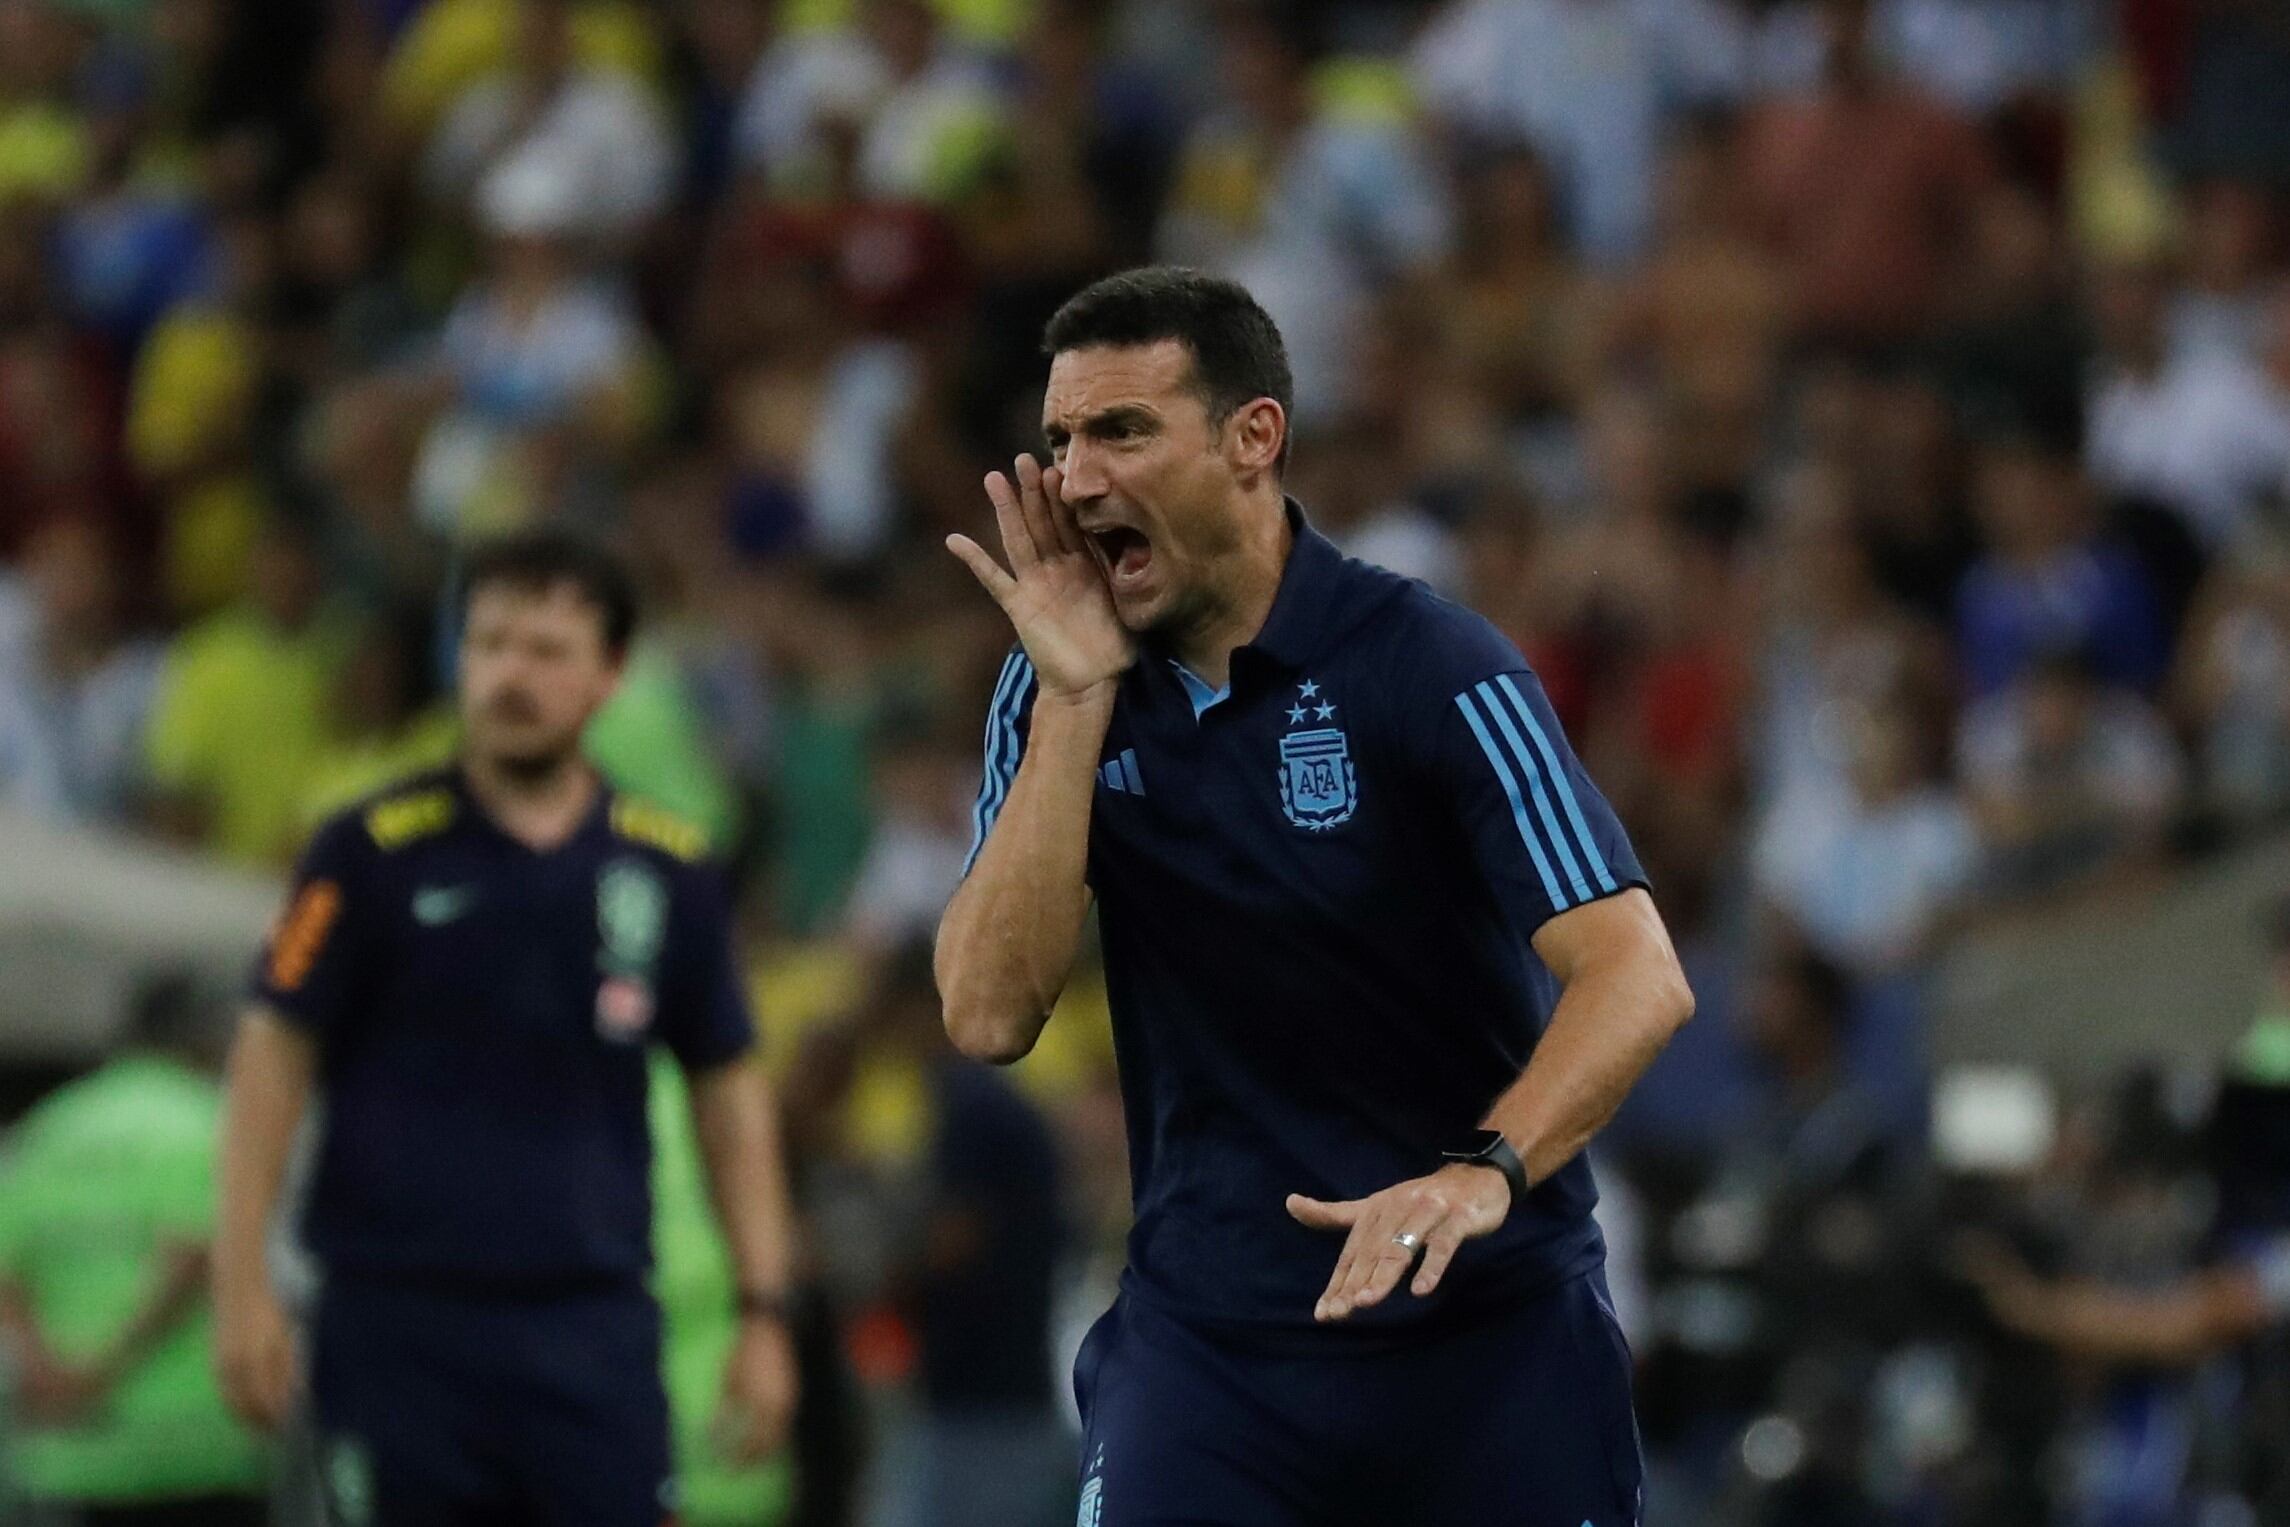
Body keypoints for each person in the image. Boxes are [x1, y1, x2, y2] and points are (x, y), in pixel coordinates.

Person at [935, 267, 1695, 1525]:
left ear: (1254, 439)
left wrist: (1483, 1172)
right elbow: (984, 1014)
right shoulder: (1055, 688)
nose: (1074, 481)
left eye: (1123, 430)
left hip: (1485, 1340)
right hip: (1211, 1351)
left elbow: (1637, 973)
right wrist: (1071, 703)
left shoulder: (1428, 665)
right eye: (1061, 441)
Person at [211, 530, 800, 1526]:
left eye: (545, 650)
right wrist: (241, 1286)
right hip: (395, 1326)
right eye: (488, 645)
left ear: (607, 674)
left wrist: (764, 1314)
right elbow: (271, 1055)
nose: (508, 676)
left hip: (590, 1330)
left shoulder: (666, 872)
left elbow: (729, 1090)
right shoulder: (366, 854)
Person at [0, 971, 268, 1527]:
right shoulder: (208, 1120)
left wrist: (50, 1372)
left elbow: (9, 1271)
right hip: (196, 1443)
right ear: (207, 1039)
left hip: (74, 1444)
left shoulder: (52, 1124)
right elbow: (196, 1257)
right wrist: (107, 1369)